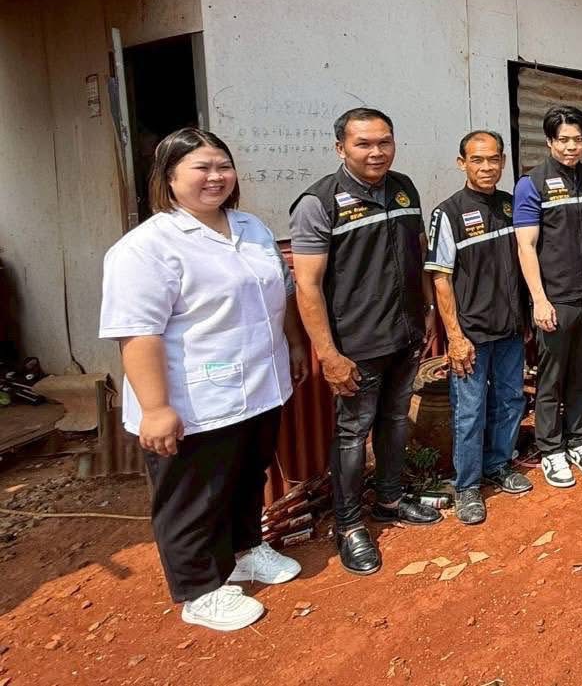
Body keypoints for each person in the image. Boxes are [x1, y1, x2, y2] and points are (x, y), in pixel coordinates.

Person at [100, 128, 305, 632]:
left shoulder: (250, 227)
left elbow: (279, 291)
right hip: (194, 397)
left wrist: (295, 343)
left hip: (259, 384)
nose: (216, 177)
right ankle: (200, 589)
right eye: (201, 168)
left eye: (223, 166)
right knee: (192, 494)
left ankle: (244, 549)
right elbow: (137, 333)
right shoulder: (146, 248)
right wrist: (155, 409)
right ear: (168, 179)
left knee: (245, 477)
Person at [291, 108, 441, 577]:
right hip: (356, 345)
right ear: (341, 148)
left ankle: (391, 500)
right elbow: (307, 287)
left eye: (384, 142)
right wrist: (328, 355)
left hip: (406, 334)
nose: (376, 152)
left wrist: (429, 312)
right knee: (353, 434)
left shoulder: (404, 187)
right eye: (363, 144)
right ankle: (350, 525)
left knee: (396, 420)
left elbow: (415, 255)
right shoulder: (320, 202)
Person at [425, 130, 533, 524]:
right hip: (470, 335)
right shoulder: (447, 213)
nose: (487, 167)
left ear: (503, 161)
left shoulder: (511, 206)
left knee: (510, 401)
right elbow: (440, 278)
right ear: (462, 163)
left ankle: (499, 465)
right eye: (477, 160)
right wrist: (454, 336)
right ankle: (468, 485)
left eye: (493, 160)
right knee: (469, 411)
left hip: (510, 331)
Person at [514, 104, 582, 490]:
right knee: (551, 378)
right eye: (564, 140)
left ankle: (578, 440)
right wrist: (538, 298)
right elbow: (526, 246)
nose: (572, 147)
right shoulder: (530, 183)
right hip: (555, 299)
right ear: (550, 141)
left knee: (581, 375)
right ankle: (551, 448)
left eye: (578, 139)